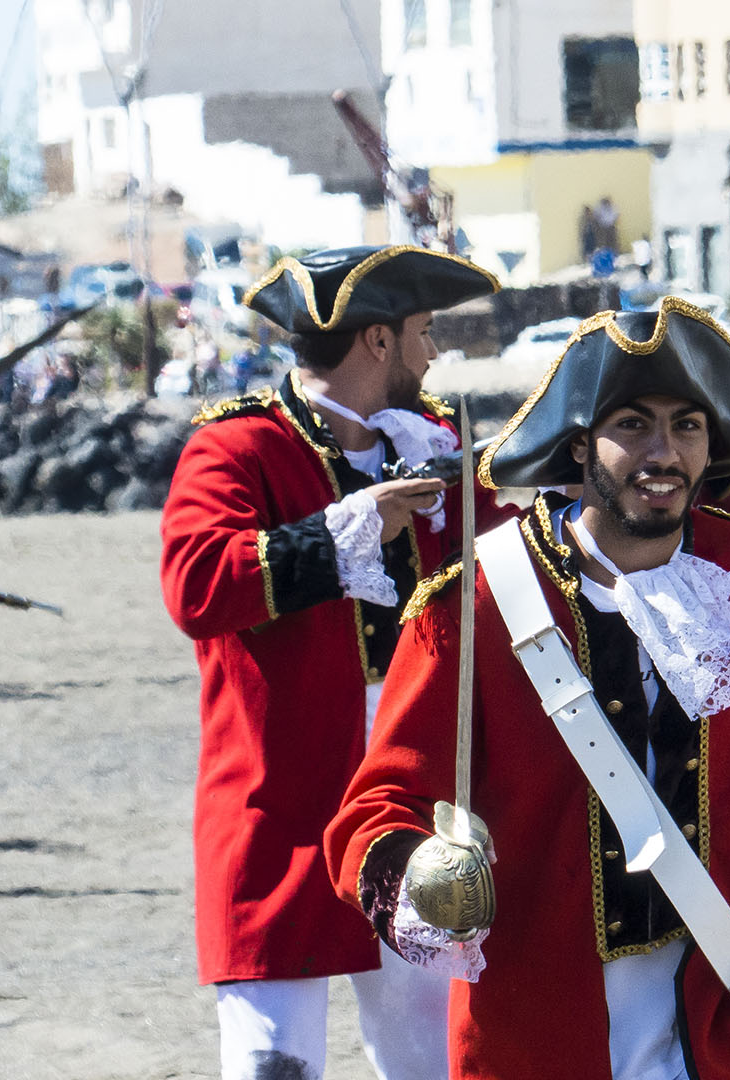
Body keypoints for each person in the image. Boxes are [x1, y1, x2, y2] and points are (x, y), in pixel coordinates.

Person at [325, 297, 730, 1080]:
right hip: (538, 1031)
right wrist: (428, 875)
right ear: (579, 448)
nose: (663, 453)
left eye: (687, 426)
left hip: (722, 1022)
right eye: (633, 425)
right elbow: (374, 812)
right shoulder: (472, 605)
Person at [159, 244, 509, 1080]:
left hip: (411, 806)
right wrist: (349, 529)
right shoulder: (237, 447)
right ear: (378, 342)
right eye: (422, 333)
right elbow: (196, 585)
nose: (431, 355)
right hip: (279, 813)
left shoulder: (434, 445)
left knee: (435, 1060)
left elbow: (516, 567)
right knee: (273, 1068)